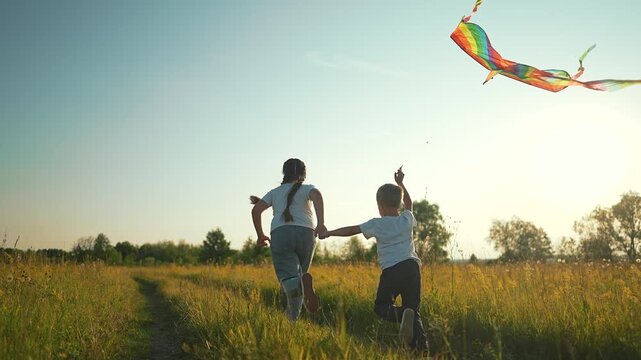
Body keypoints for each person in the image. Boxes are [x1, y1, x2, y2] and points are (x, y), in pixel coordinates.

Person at [320, 167, 429, 352]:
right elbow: (409, 203)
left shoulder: (376, 224)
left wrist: (329, 232)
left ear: (381, 205)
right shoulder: (406, 219)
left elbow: (352, 230)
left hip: (392, 271)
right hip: (412, 268)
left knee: (381, 307)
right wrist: (401, 183)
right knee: (413, 311)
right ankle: (422, 350)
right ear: (398, 203)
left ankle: (403, 315)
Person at [250, 158, 327, 321]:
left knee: (289, 278)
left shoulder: (274, 192)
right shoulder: (308, 188)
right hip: (306, 233)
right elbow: (317, 195)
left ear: (284, 173)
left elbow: (256, 210)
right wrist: (321, 224)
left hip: (281, 233)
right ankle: (293, 315)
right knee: (299, 276)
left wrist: (260, 235)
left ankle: (293, 310)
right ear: (303, 174)